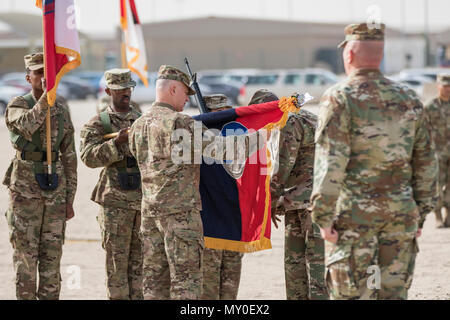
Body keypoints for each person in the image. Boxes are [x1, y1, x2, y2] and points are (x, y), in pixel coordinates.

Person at [310, 23, 438, 300]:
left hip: (355, 218)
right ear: (379, 55)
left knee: (353, 295)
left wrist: (322, 216)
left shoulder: (340, 97)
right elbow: (427, 161)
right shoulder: (409, 98)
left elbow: (331, 164)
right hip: (400, 215)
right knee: (393, 295)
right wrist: (421, 212)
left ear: (350, 54)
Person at [128, 65, 265, 300]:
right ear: (172, 89)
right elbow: (223, 149)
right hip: (180, 216)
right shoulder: (179, 123)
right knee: (186, 284)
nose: (186, 101)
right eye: (184, 94)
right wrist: (261, 137)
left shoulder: (138, 124)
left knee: (153, 283)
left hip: (150, 214)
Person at [3, 52, 77, 300]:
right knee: (26, 257)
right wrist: (46, 99)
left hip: (55, 190)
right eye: (38, 73)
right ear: (28, 77)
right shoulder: (17, 104)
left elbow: (69, 156)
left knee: (52, 255)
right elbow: (25, 125)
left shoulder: (62, 111)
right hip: (25, 191)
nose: (44, 77)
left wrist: (69, 198)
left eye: (48, 72)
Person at [249, 89, 327, 300]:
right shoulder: (306, 117)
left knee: (315, 263)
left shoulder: (289, 122)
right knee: (295, 262)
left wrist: (270, 203)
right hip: (298, 201)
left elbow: (282, 167)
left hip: (311, 202)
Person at [80, 68, 143, 300]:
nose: (126, 92)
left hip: (141, 200)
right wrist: (116, 144)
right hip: (114, 202)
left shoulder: (141, 119)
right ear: (108, 91)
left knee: (141, 264)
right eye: (120, 89)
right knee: (117, 264)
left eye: (128, 88)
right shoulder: (98, 123)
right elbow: (88, 157)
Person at [199, 94, 244, 300]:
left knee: (229, 287)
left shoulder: (238, 139)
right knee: (208, 288)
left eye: (225, 112)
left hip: (234, 223)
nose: (221, 117)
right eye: (215, 113)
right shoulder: (194, 142)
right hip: (209, 225)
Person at [424, 74, 450, 228]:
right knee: (437, 185)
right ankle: (438, 215)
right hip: (437, 153)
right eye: (444, 86)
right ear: (438, 86)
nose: (447, 90)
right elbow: (422, 131)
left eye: (449, 87)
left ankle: (449, 216)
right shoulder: (430, 107)